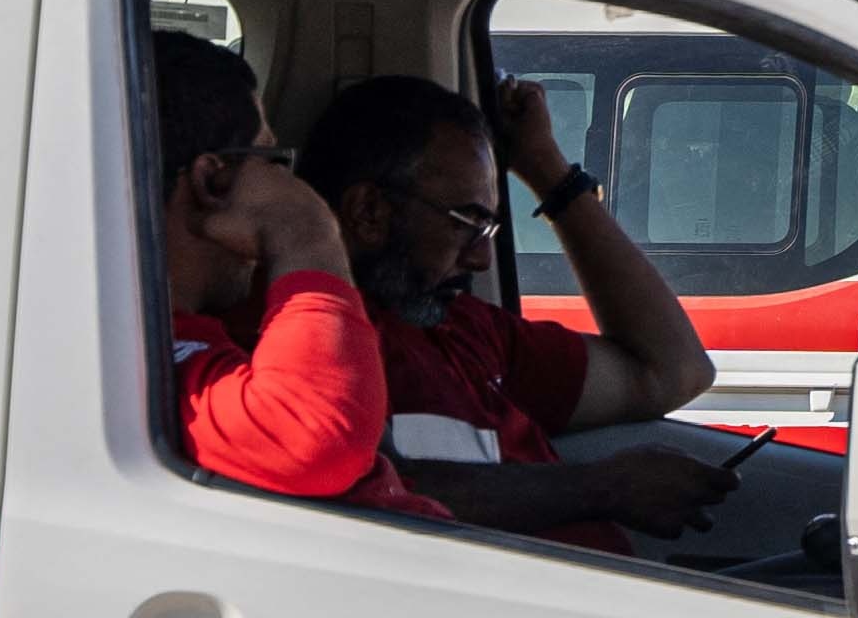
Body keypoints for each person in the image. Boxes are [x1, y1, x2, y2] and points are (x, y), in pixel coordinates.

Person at [298, 74, 732, 548]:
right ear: (369, 212)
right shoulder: (301, 346)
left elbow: (673, 370)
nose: (480, 259)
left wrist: (548, 170)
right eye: (466, 222)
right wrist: (602, 488)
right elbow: (366, 496)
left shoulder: (467, 331)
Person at [147, 30, 412, 510]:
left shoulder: (178, 341)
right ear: (215, 180)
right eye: (269, 159)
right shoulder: (150, 365)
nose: (286, 181)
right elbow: (315, 441)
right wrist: (305, 231)